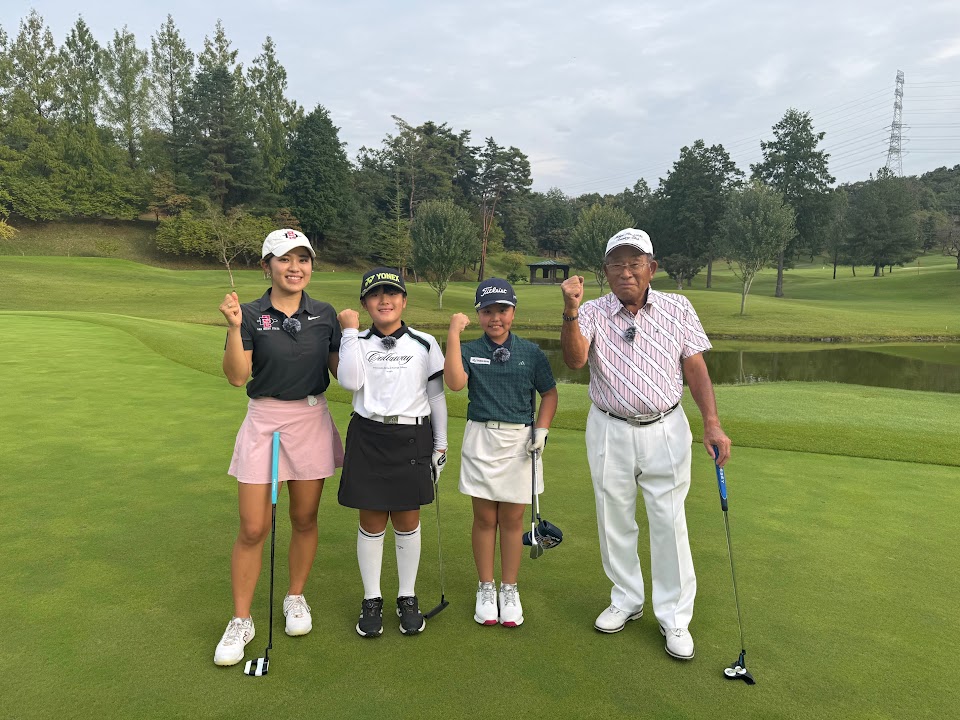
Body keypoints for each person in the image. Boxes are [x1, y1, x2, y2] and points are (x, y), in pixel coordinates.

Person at [559, 228, 731, 660]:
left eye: (634, 263)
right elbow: (576, 360)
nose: (626, 272)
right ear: (605, 271)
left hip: (666, 428)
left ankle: (674, 617)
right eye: (616, 264)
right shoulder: (591, 311)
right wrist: (571, 310)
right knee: (613, 517)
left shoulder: (678, 307)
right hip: (608, 427)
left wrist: (711, 423)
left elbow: (695, 368)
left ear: (651, 268)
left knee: (669, 520)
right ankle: (627, 599)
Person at [213, 229, 344, 667]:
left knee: (304, 518)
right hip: (265, 422)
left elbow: (345, 374)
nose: (295, 268)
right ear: (266, 266)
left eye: (303, 259)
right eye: (285, 259)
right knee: (253, 527)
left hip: (310, 419)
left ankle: (295, 596)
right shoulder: (249, 313)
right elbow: (237, 377)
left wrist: (356, 337)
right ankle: (241, 620)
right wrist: (234, 328)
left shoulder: (324, 314)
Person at [336, 268, 448, 637]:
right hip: (368, 434)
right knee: (371, 520)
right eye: (375, 294)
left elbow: (436, 398)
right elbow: (350, 381)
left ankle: (406, 596)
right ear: (364, 303)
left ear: (404, 300)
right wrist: (349, 333)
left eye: (392, 293)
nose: (384, 300)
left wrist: (441, 443)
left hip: (412, 435)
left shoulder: (424, 343)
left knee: (407, 519)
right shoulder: (356, 341)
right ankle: (372, 599)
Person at [445, 278, 558, 628]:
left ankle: (509, 589)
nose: (495, 318)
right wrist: (453, 332)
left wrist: (542, 430)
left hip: (520, 443)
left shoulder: (531, 352)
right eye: (488, 311)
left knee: (511, 521)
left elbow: (549, 394)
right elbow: (454, 383)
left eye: (503, 310)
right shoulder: (469, 349)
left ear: (513, 312)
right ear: (479, 314)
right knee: (484, 519)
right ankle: (486, 587)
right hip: (481, 438)